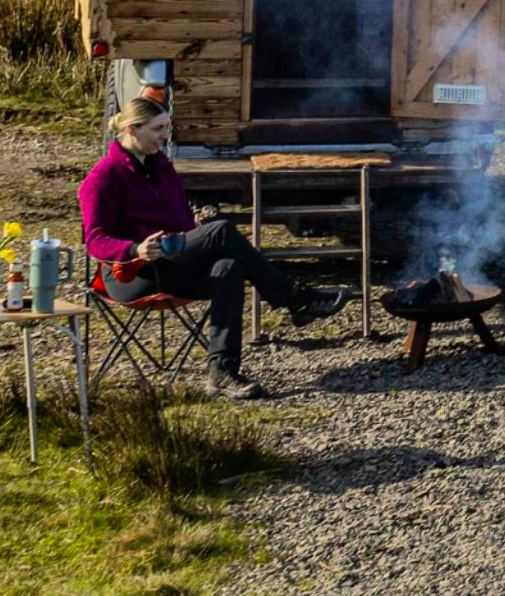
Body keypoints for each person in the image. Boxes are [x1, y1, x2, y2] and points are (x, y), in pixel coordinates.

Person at [77, 93, 347, 398]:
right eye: (157, 129)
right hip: (131, 274)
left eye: (166, 128)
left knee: (227, 267)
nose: (164, 137)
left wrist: (194, 227)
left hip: (173, 262)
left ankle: (222, 373)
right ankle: (295, 298)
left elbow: (179, 222)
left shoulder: (161, 166)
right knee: (220, 231)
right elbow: (95, 241)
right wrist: (134, 250)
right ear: (132, 129)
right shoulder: (103, 177)